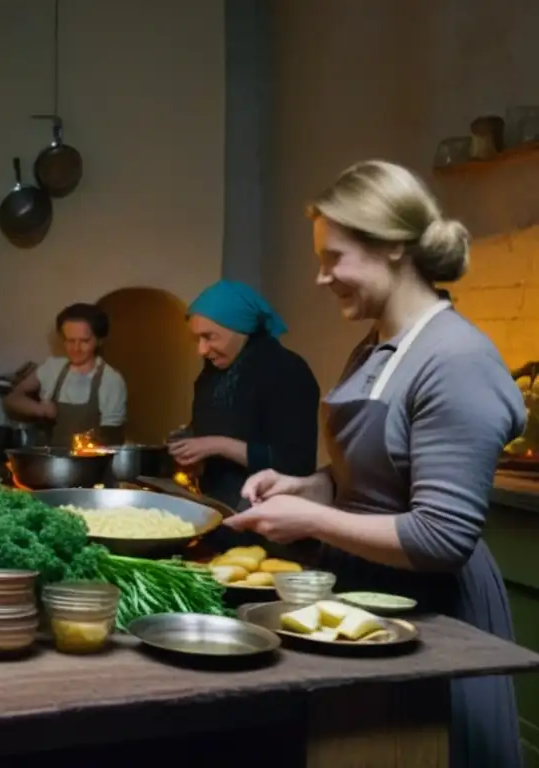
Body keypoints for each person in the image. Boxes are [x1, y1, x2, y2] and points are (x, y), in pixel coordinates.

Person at [224, 160, 524, 768]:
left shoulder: (457, 358)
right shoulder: (377, 346)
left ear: (391, 247)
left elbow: (440, 537)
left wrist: (308, 522)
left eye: (333, 257)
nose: (320, 276)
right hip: (375, 597)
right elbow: (381, 470)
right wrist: (310, 486)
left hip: (436, 613)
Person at [168, 280, 320, 524]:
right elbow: (211, 424)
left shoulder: (286, 370)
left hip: (269, 515)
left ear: (241, 329)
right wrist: (193, 449)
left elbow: (295, 462)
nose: (202, 350)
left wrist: (217, 445)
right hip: (217, 505)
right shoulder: (211, 375)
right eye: (197, 339)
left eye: (209, 337)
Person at [3, 303, 127, 446]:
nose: (76, 348)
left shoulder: (111, 380)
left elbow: (112, 438)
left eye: (84, 341)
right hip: (50, 462)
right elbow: (11, 399)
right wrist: (39, 409)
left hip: (92, 464)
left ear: (99, 340)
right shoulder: (52, 368)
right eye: (70, 340)